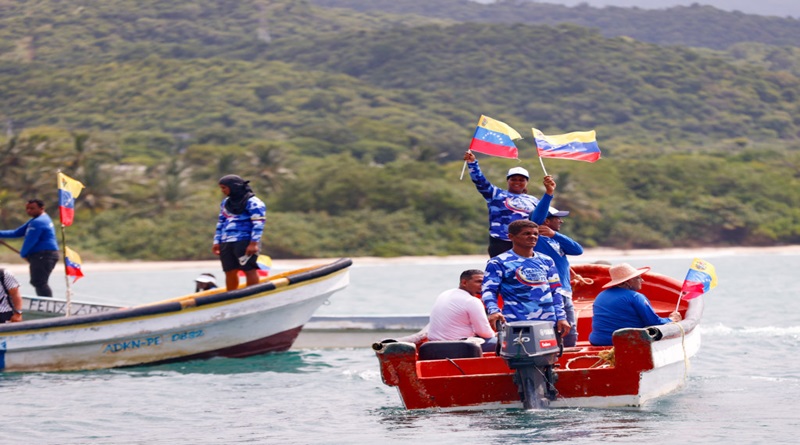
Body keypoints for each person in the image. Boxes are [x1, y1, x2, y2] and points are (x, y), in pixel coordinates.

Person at [482, 219, 571, 339]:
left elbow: (556, 291)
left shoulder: (547, 260)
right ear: (511, 237)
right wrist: (493, 311)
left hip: (548, 323)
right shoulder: (498, 262)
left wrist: (561, 317)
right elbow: (489, 291)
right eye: (526, 234)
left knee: (549, 356)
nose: (532, 237)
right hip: (516, 322)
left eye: (535, 234)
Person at [529, 177, 584, 347]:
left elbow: (578, 249)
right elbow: (536, 216)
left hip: (565, 290)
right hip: (550, 290)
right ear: (546, 220)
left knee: (570, 329)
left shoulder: (555, 238)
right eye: (557, 218)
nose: (561, 221)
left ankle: (569, 357)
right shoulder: (537, 236)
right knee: (553, 327)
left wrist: (555, 235)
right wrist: (549, 193)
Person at [464, 151, 542, 257]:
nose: (517, 182)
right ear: (508, 181)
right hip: (500, 241)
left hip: (525, 243)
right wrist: (472, 163)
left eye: (521, 180)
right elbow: (480, 181)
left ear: (526, 182)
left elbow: (542, 219)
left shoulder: (533, 200)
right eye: (513, 179)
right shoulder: (495, 194)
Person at [589, 263, 682, 346]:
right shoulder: (635, 297)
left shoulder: (601, 295)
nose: (642, 280)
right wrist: (671, 319)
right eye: (637, 277)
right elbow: (653, 322)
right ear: (626, 282)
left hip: (597, 341)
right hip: (623, 342)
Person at [212, 175, 266, 291]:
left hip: (245, 240)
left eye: (224, 188)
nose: (223, 191)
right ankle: (231, 297)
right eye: (221, 188)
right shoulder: (226, 203)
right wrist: (217, 241)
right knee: (229, 271)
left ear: (234, 187)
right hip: (226, 241)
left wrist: (254, 243)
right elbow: (221, 222)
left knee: (249, 269)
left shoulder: (253, 202)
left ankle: (252, 295)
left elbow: (258, 223)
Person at [427, 269, 497, 352]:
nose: (483, 285)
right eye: (479, 282)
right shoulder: (471, 301)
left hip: (433, 344)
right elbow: (486, 334)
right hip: (459, 346)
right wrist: (497, 334)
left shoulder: (445, 293)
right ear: (464, 283)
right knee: (505, 342)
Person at [0, 199, 60, 297]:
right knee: (38, 281)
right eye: (27, 208)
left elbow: (31, 241)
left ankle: (47, 305)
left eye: (32, 208)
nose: (29, 211)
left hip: (44, 255)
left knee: (39, 282)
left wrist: (23, 254)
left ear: (42, 208)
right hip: (43, 255)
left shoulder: (39, 222)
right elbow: (16, 233)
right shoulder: (36, 220)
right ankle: (46, 304)